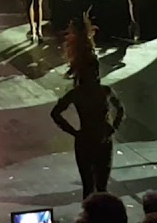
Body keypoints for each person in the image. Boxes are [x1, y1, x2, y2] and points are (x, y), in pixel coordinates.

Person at [51, 15, 124, 200]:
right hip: (94, 141)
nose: (96, 75)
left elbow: (120, 109)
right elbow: (56, 113)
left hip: (93, 141)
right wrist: (75, 132)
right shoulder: (91, 92)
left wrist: (77, 132)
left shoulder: (90, 92)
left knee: (97, 187)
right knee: (92, 187)